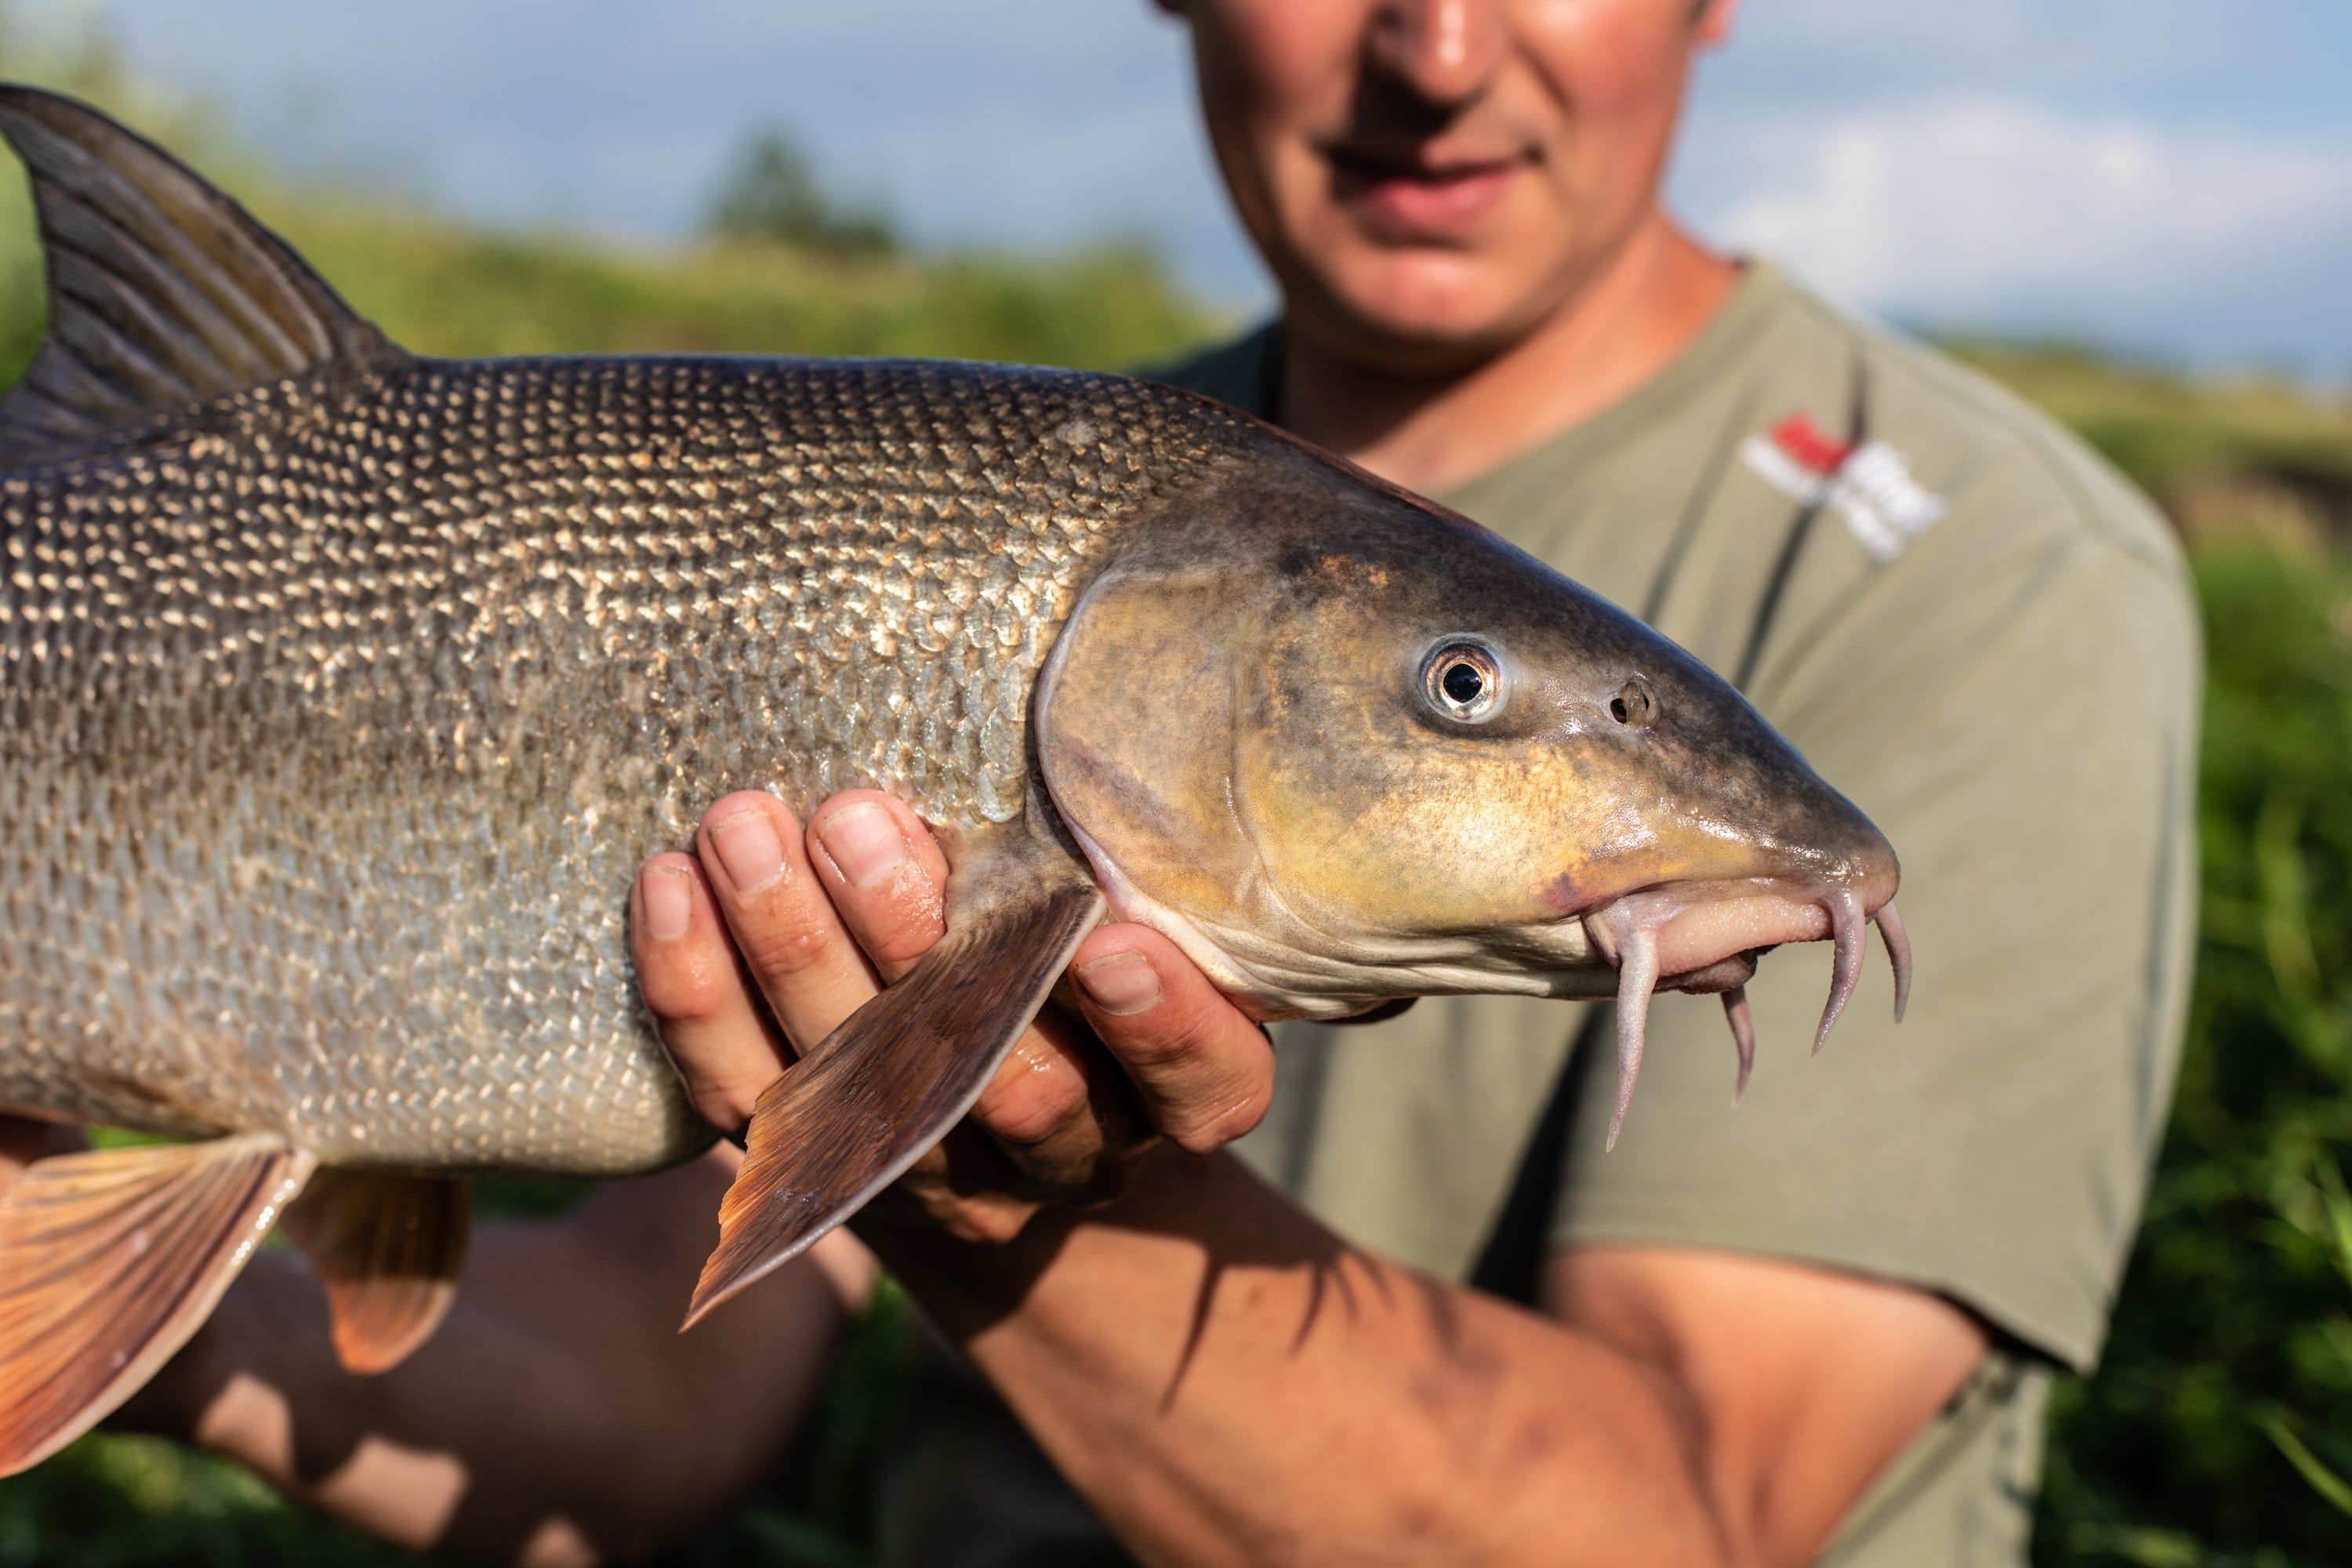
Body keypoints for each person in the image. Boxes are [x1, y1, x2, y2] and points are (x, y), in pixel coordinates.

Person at [85, 1, 2199, 1563]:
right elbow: (666, 1386)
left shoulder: (1984, 571)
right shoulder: (1063, 469)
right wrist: (139, 1318)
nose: (1438, 50)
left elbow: (1685, 1529)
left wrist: (1016, 1184)